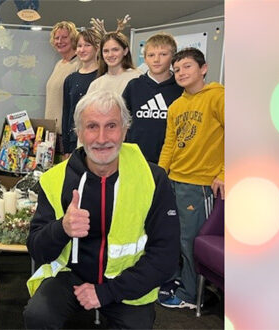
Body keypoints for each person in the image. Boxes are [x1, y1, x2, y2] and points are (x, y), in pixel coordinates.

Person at [23, 90, 180, 329]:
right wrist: (62, 228)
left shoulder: (152, 179)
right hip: (70, 275)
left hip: (127, 281)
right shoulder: (55, 179)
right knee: (37, 316)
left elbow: (166, 256)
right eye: (92, 126)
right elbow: (37, 249)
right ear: (79, 133)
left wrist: (106, 292)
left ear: (125, 130)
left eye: (112, 126)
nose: (102, 138)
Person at [157, 47, 224, 310]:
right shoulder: (176, 105)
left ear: (203, 68)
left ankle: (189, 294)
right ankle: (176, 280)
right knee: (173, 236)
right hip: (175, 179)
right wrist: (160, 176)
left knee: (190, 239)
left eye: (187, 66)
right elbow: (170, 144)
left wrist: (225, 172)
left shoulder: (218, 97)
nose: (180, 73)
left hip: (200, 185)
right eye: (176, 69)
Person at [122, 32, 183, 163]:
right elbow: (121, 121)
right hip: (136, 159)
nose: (156, 60)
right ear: (145, 58)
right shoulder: (134, 86)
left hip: (172, 162)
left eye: (163, 54)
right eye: (151, 55)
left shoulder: (181, 89)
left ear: (173, 57)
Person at [61, 28, 100, 159]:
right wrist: (66, 146)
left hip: (97, 139)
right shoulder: (70, 79)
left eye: (87, 45)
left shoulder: (103, 77)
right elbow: (67, 113)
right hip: (74, 140)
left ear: (97, 48)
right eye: (79, 46)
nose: (82, 50)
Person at [44, 21, 80, 153]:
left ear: (73, 39)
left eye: (64, 37)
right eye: (57, 38)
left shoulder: (79, 64)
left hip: (66, 134)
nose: (60, 41)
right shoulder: (59, 64)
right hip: (52, 133)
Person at [86, 32, 142, 96]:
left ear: (125, 51)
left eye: (115, 50)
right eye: (106, 51)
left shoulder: (137, 78)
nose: (110, 55)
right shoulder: (96, 84)